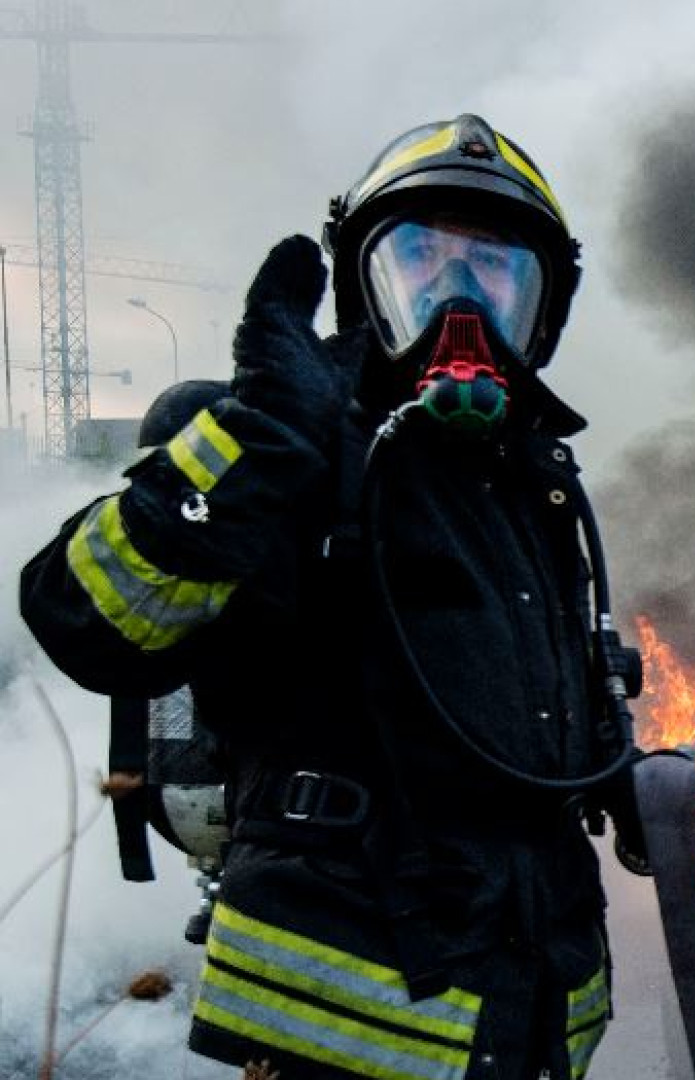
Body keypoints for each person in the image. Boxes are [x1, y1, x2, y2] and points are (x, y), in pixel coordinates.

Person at [20, 114, 635, 1080]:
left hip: (524, 1027)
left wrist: (608, 770)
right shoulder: (299, 455)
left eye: (493, 271)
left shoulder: (531, 490)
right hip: (337, 1034)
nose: (458, 302)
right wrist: (256, 444)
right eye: (420, 262)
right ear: (362, 288)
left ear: (542, 312)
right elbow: (84, 617)